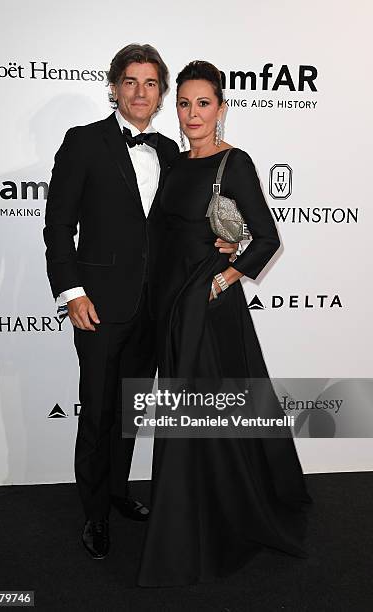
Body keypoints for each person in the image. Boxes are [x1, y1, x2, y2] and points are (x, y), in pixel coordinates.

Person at [43, 45, 237, 561]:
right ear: (113, 86)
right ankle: (94, 515)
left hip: (157, 307)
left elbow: (183, 226)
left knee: (130, 411)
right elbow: (59, 225)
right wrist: (71, 292)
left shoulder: (173, 154)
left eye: (151, 84)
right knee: (99, 413)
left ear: (161, 92)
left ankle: (119, 492)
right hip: (100, 306)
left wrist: (224, 241)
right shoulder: (84, 143)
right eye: (130, 82)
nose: (140, 92)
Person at [137, 61, 313, 587]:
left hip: (207, 306)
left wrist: (227, 276)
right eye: (185, 104)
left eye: (203, 103)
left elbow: (267, 237)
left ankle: (207, 517)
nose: (193, 114)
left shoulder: (234, 162)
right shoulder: (173, 162)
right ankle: (195, 501)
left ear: (221, 107)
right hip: (171, 303)